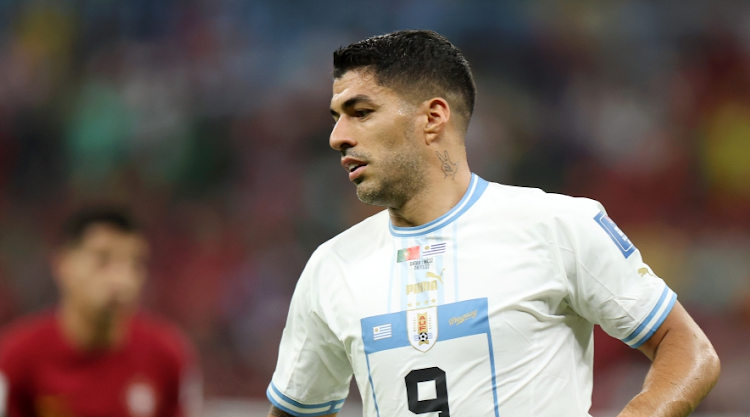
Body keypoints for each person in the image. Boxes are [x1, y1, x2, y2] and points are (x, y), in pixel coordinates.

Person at [266, 30, 720, 417]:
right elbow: (295, 409)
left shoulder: (558, 225)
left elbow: (686, 347)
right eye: (336, 117)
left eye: (360, 113)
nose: (337, 136)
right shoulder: (331, 266)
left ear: (433, 117)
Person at [0, 207, 201, 417]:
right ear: (63, 265)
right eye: (103, 260)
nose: (122, 280)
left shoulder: (167, 356)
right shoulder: (17, 356)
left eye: (135, 264)